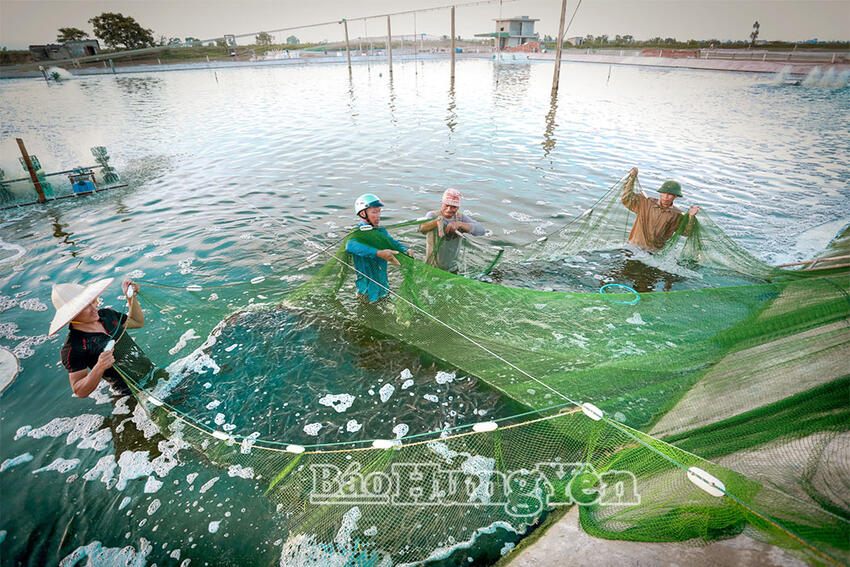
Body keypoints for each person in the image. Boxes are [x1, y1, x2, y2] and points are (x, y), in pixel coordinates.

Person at [49, 277, 144, 398]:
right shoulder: (74, 347)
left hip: (151, 374)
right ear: (71, 315)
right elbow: (79, 391)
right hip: (129, 394)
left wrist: (131, 298)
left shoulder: (108, 315)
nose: (94, 308)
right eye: (85, 307)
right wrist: (100, 366)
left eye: (93, 301)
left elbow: (137, 322)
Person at [345, 193, 409, 302]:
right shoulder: (357, 234)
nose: (378, 215)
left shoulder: (381, 231)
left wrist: (405, 249)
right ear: (362, 213)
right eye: (374, 212)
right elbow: (350, 246)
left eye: (379, 211)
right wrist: (378, 253)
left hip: (383, 284)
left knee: (384, 299)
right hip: (366, 288)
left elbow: (392, 243)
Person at [621, 167, 701, 252]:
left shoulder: (676, 214)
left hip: (653, 253)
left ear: (675, 196)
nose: (666, 197)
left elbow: (686, 233)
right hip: (633, 247)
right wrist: (632, 179)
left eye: (670, 194)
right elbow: (626, 198)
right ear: (660, 193)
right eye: (664, 193)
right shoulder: (645, 203)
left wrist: (691, 217)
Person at [418, 188, 485, 273]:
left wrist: (460, 224)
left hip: (452, 268)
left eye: (453, 207)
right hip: (432, 266)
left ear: (458, 207)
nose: (449, 209)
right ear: (442, 203)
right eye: (446, 205)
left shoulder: (461, 218)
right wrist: (437, 222)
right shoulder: (432, 215)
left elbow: (481, 230)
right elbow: (422, 228)